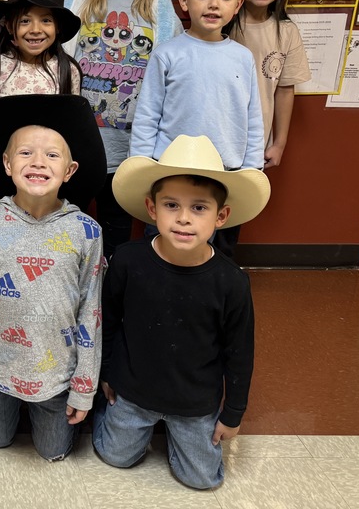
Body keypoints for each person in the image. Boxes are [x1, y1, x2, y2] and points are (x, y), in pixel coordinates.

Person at [97, 134, 270, 489]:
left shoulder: (231, 282)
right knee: (115, 457)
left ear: (221, 216)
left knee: (203, 479)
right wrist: (106, 374)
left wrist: (233, 413)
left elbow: (240, 353)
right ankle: (119, 422)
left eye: (199, 208)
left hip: (194, 403)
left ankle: (176, 437)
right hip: (134, 391)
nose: (184, 219)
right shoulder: (128, 260)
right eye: (171, 205)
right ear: (152, 208)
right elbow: (109, 321)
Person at [0, 94, 106, 462]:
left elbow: (91, 313)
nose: (38, 162)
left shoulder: (87, 231)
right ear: (6, 164)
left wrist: (84, 387)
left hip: (56, 374)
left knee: (53, 452)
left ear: (69, 170)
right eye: (25, 153)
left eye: (52, 155)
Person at [62, 0, 183, 259]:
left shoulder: (160, 17)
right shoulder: (80, 10)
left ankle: (114, 288)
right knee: (72, 227)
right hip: (81, 144)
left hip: (129, 149)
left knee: (118, 230)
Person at [130, 0, 262, 258]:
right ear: (184, 2)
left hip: (226, 172)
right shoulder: (168, 53)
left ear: (239, 4)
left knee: (220, 253)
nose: (214, 4)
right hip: (171, 169)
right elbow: (148, 114)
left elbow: (253, 117)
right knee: (163, 247)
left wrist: (252, 169)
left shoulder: (243, 58)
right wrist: (141, 167)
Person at [0, 0, 82, 195]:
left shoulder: (67, 70)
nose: (35, 29)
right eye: (25, 21)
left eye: (46, 21)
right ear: (10, 27)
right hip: (4, 170)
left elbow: (73, 129)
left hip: (50, 175)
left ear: (57, 27)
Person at [227, 0, 311, 168]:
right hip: (213, 135)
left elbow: (284, 90)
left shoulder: (287, 31)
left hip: (255, 143)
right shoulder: (219, 25)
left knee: (242, 202)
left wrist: (279, 143)